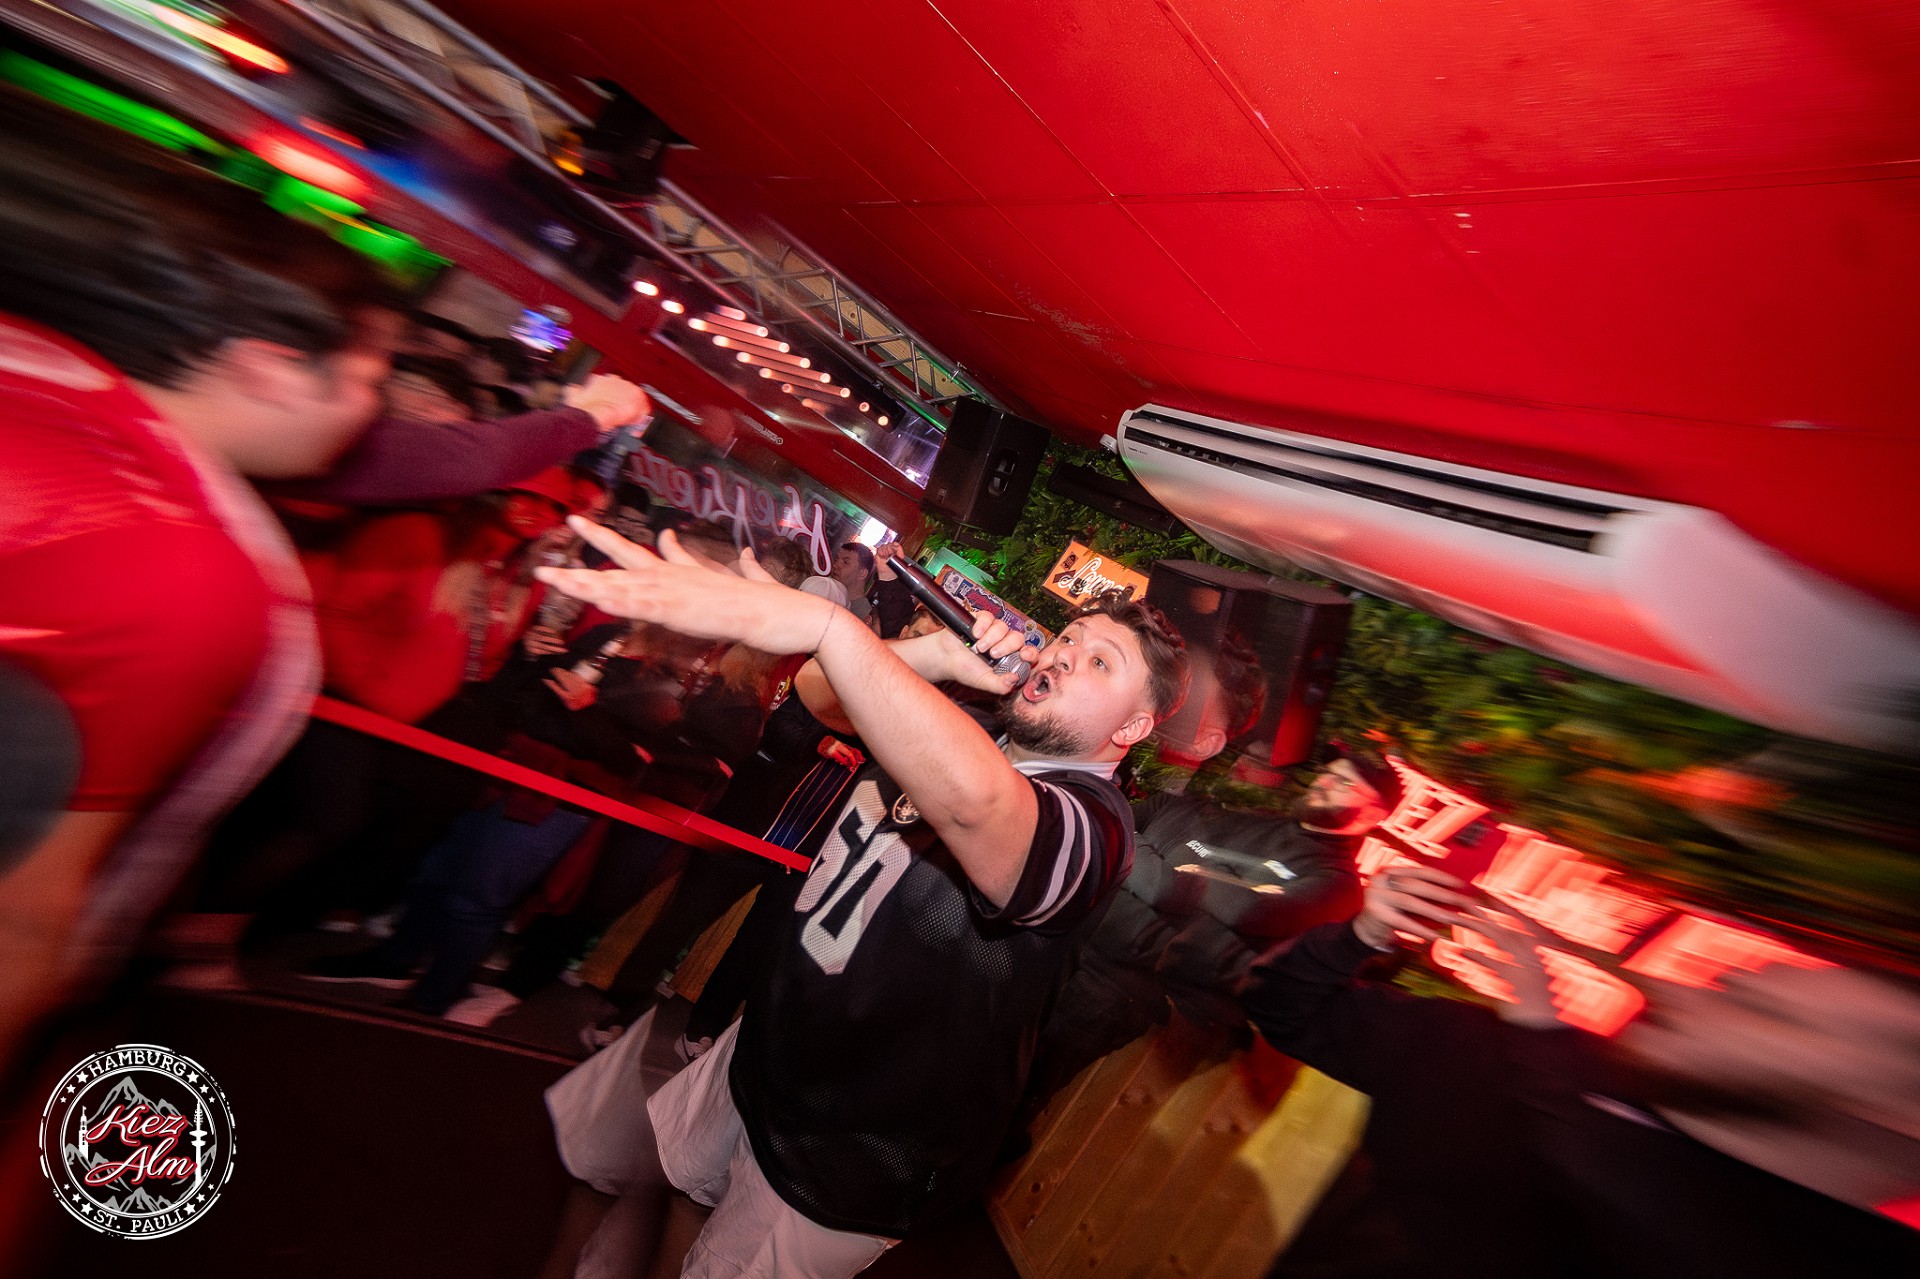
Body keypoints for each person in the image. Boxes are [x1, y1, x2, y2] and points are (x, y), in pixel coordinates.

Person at [533, 522, 1190, 1278]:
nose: (1064, 654)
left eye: (1100, 661)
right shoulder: (970, 721)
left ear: (1132, 726)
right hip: (765, 1045)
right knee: (674, 1205)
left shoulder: (1097, 827)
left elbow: (979, 805)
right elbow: (821, 697)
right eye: (1068, 638)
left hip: (858, 1144)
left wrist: (830, 624)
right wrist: (939, 656)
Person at [0, 88, 395, 1064]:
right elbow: (25, 916)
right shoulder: (181, 561)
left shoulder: (38, 361)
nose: (376, 408)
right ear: (270, 367)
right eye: (370, 378)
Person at [1242, 868, 1920, 1278]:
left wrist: (1547, 1061)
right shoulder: (1498, 1054)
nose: (1680, 990)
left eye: (1766, 1011)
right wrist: (1361, 935)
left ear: (1901, 1114)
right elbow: (1284, 1005)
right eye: (1730, 981)